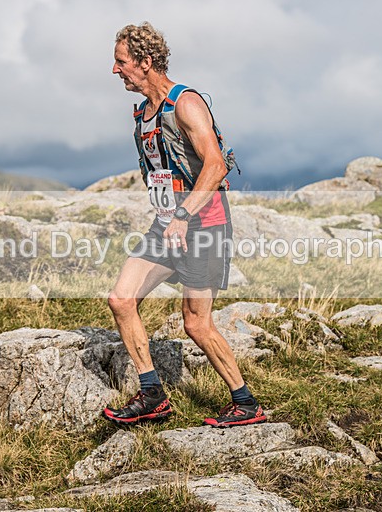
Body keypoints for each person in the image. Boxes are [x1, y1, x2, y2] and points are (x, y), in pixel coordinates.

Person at [103, 22, 266, 428]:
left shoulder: (186, 104)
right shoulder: (143, 112)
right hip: (166, 227)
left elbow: (215, 164)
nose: (114, 70)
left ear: (145, 62)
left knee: (196, 323)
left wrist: (183, 215)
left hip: (203, 225)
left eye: (121, 62)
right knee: (122, 300)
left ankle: (246, 403)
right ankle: (153, 395)